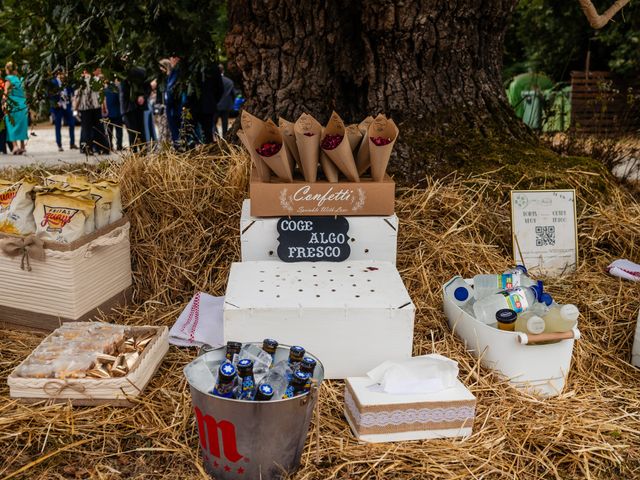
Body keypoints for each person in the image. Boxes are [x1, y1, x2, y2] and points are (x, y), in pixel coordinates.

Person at [75, 68, 109, 154]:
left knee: (87, 129)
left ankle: (88, 149)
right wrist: (104, 107)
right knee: (99, 129)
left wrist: (75, 108)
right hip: (96, 107)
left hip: (85, 109)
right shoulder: (96, 79)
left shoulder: (81, 81)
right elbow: (102, 95)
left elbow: (77, 97)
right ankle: (104, 148)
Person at [190, 64, 224, 144]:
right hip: (208, 104)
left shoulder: (189, 65)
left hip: (193, 105)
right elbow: (220, 89)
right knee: (207, 133)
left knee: (190, 132)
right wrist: (213, 101)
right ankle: (207, 150)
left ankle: (193, 151)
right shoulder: (213, 67)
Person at [119, 65, 149, 151]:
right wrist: (143, 96)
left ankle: (138, 153)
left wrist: (142, 96)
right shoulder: (141, 71)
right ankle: (139, 153)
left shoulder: (140, 71)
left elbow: (147, 87)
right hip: (130, 106)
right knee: (137, 132)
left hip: (131, 107)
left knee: (136, 132)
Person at [3, 62, 29, 155]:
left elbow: (5, 93)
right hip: (23, 104)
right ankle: (22, 146)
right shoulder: (21, 79)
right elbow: (26, 93)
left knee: (11, 124)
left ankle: (15, 146)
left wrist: (3, 104)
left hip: (12, 104)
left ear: (8, 70)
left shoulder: (8, 79)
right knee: (22, 124)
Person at [49, 69, 77, 152]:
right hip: (58, 107)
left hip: (67, 105)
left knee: (72, 124)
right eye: (62, 73)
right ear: (58, 74)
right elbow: (49, 94)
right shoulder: (53, 82)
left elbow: (71, 91)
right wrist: (55, 102)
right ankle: (59, 145)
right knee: (58, 126)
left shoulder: (66, 82)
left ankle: (72, 143)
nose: (64, 75)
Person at [164, 55, 184, 146]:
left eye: (172, 58)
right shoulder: (173, 72)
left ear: (176, 59)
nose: (170, 60)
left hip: (175, 108)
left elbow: (171, 91)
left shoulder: (178, 72)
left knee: (178, 135)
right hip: (172, 108)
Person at [214, 64, 236, 139]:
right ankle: (225, 137)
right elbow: (233, 94)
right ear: (223, 70)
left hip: (216, 105)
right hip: (226, 105)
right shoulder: (229, 81)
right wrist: (232, 104)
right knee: (225, 122)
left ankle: (216, 137)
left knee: (213, 123)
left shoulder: (214, 81)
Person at [103, 78, 123, 151]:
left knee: (109, 131)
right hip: (117, 113)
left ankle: (110, 145)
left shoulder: (105, 90)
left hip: (108, 114)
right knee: (119, 131)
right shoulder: (117, 89)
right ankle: (119, 146)